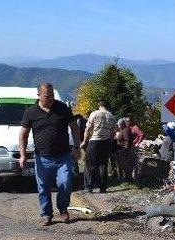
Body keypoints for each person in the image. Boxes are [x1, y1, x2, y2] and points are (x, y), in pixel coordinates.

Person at [19, 83, 81, 226]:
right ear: (39, 95)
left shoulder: (62, 108)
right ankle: (46, 214)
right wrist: (22, 155)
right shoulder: (31, 112)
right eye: (48, 96)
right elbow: (23, 134)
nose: (51, 98)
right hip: (42, 157)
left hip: (63, 156)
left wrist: (77, 147)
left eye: (52, 95)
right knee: (43, 187)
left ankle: (63, 208)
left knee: (65, 183)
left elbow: (74, 127)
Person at [81, 100, 117, 193]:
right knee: (103, 164)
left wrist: (84, 142)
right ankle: (103, 187)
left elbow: (87, 129)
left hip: (94, 141)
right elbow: (114, 131)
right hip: (106, 142)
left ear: (99, 105)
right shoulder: (111, 116)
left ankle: (89, 187)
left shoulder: (94, 114)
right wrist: (109, 138)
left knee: (90, 164)